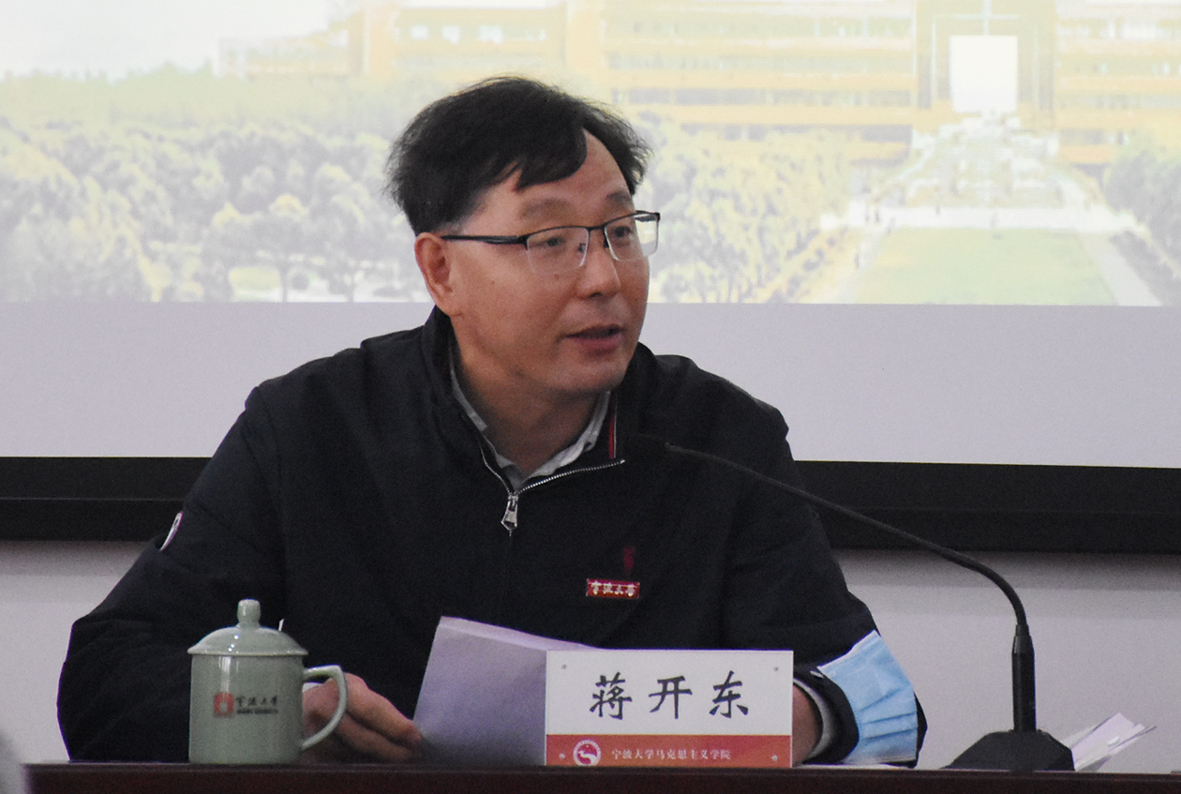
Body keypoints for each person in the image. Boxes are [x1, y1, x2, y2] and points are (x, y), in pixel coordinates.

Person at [58, 76, 922, 766]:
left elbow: (878, 702)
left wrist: (795, 718)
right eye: (551, 242)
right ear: (441, 270)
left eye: (621, 231)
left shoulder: (720, 437)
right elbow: (108, 673)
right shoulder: (312, 428)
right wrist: (282, 714)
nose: (604, 277)